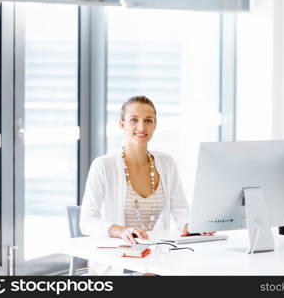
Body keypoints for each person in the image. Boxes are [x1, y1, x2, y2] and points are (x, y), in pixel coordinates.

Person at [79, 96, 210, 275]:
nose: (141, 127)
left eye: (148, 121)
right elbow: (87, 222)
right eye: (134, 120)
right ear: (122, 124)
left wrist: (189, 225)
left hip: (154, 254)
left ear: (155, 125)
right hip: (116, 258)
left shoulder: (166, 163)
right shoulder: (103, 165)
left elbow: (181, 210)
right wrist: (120, 230)